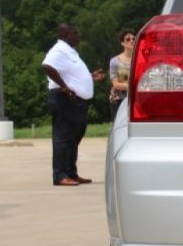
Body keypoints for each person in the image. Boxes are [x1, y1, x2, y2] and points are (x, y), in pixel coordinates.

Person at [41, 23, 105, 186]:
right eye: (75, 33)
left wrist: (89, 76)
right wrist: (63, 86)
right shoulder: (59, 50)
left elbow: (71, 74)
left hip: (75, 101)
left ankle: (71, 173)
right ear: (66, 35)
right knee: (63, 137)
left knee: (74, 137)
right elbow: (47, 66)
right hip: (64, 100)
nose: (79, 36)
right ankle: (60, 175)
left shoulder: (70, 51)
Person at [109, 30, 135, 121]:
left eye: (133, 39)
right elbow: (115, 84)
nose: (131, 41)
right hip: (119, 99)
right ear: (122, 43)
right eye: (127, 39)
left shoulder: (139, 60)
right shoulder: (114, 61)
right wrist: (134, 87)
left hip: (135, 98)